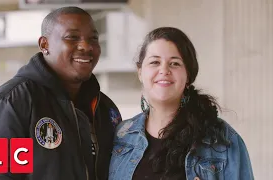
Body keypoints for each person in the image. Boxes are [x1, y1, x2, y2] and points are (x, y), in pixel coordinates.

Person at [0, 6, 122, 180]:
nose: (86, 46)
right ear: (44, 45)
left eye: (93, 38)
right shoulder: (8, 104)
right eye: (72, 37)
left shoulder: (104, 108)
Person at [109, 27, 254, 180]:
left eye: (174, 63)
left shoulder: (223, 139)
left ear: (188, 75)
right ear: (140, 73)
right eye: (155, 62)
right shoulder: (121, 137)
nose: (164, 70)